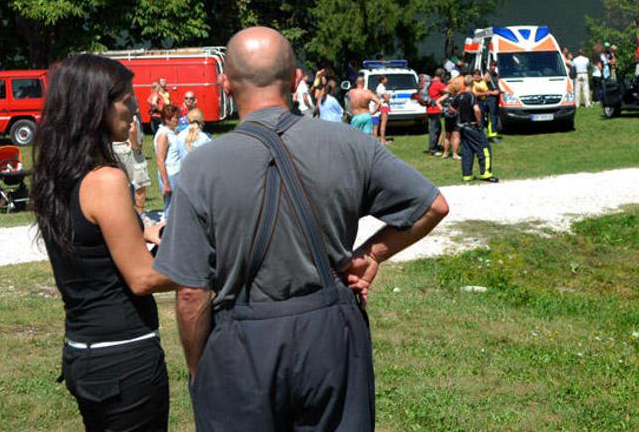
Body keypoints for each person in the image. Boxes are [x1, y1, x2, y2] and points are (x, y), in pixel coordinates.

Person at [153, 27, 449, 431]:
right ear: (296, 80)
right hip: (329, 337)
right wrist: (372, 254)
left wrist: (197, 370)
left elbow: (191, 293)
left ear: (225, 84)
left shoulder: (201, 167)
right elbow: (433, 205)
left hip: (243, 342)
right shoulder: (351, 143)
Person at [32, 55, 176, 431]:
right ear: (96, 107)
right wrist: (214, 263)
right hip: (124, 358)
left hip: (85, 351)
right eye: (127, 99)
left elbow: (91, 239)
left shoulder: (56, 176)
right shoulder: (106, 180)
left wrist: (145, 232)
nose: (136, 107)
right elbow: (143, 278)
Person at [454, 75, 497, 183]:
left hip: (462, 127)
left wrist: (460, 116)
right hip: (472, 126)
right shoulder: (471, 95)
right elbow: (477, 109)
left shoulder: (459, 96)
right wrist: (478, 121)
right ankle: (486, 173)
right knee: (485, 148)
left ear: (464, 84)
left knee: (467, 151)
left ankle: (467, 175)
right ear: (473, 83)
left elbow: (452, 107)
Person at [112, 107, 150, 214]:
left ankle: (123, 214)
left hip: (114, 148)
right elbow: (132, 129)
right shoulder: (128, 112)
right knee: (140, 184)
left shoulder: (111, 112)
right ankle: (140, 215)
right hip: (129, 149)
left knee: (121, 184)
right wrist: (136, 147)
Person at [154, 104, 182, 220]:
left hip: (176, 172)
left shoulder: (172, 132)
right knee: (171, 207)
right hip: (170, 174)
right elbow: (160, 160)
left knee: (177, 206)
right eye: (176, 117)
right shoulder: (163, 135)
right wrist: (166, 182)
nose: (178, 119)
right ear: (167, 119)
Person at [435, 77, 463, 160]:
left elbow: (437, 102)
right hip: (456, 117)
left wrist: (443, 109)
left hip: (447, 117)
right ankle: (455, 154)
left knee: (447, 136)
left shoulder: (446, 96)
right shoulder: (459, 97)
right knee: (456, 136)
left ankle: (445, 153)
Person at [425, 70, 447, 154]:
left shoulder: (431, 82)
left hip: (430, 109)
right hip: (435, 109)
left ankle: (435, 147)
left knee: (436, 129)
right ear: (442, 75)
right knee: (435, 130)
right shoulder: (439, 84)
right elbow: (448, 90)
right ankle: (433, 149)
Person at [373, 75, 392, 144]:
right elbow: (387, 98)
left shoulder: (381, 87)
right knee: (383, 123)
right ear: (382, 80)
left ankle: (382, 139)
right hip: (384, 106)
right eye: (385, 79)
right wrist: (388, 97)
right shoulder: (381, 87)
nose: (387, 80)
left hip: (382, 105)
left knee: (381, 123)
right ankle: (383, 140)